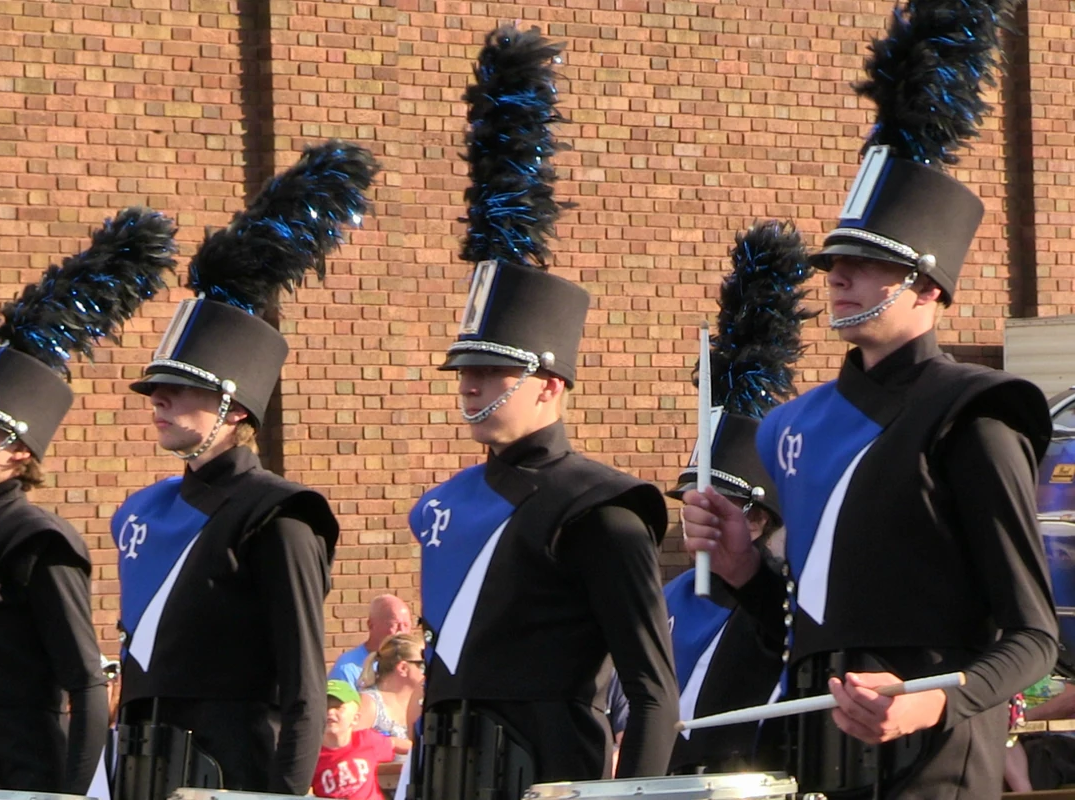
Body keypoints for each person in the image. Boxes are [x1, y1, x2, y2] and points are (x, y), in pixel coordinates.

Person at [682, 3, 1058, 795]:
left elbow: (1032, 637)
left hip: (937, 760)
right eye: (834, 264)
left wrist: (926, 704)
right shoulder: (792, 427)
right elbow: (803, 625)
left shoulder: (974, 411)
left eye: (864, 263)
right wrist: (748, 572)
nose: (839, 278)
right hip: (816, 754)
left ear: (926, 285)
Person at [407, 26, 678, 800]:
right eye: (466, 369)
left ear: (551, 384)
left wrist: (638, 797)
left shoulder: (600, 510)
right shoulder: (441, 505)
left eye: (492, 370)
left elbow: (652, 687)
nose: (470, 385)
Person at [112, 142, 375, 800]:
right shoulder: (140, 511)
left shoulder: (278, 515)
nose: (160, 400)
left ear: (233, 406)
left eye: (180, 387)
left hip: (234, 779)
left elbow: (305, 687)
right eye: (156, 389)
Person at [0, 208, 177, 793]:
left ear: (19, 450)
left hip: (18, 770)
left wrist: (72, 793)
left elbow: (86, 681)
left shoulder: (37, 539)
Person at [665, 219, 812, 775]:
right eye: (690, 504)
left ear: (757, 519)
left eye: (718, 508)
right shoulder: (668, 598)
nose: (695, 519)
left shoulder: (781, 599)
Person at [313, 680, 397, 800]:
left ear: (355, 719)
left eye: (338, 707)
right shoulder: (311, 754)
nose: (330, 712)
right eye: (324, 706)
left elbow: (394, 744)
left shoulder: (367, 739)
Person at [355, 632, 426, 759]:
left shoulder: (422, 701)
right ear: (403, 668)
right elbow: (350, 746)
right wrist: (392, 743)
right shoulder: (369, 702)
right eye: (423, 664)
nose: (428, 670)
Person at [329, 595, 414, 690]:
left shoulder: (415, 665)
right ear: (371, 625)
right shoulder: (346, 669)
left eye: (406, 625)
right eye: (394, 624)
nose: (401, 631)